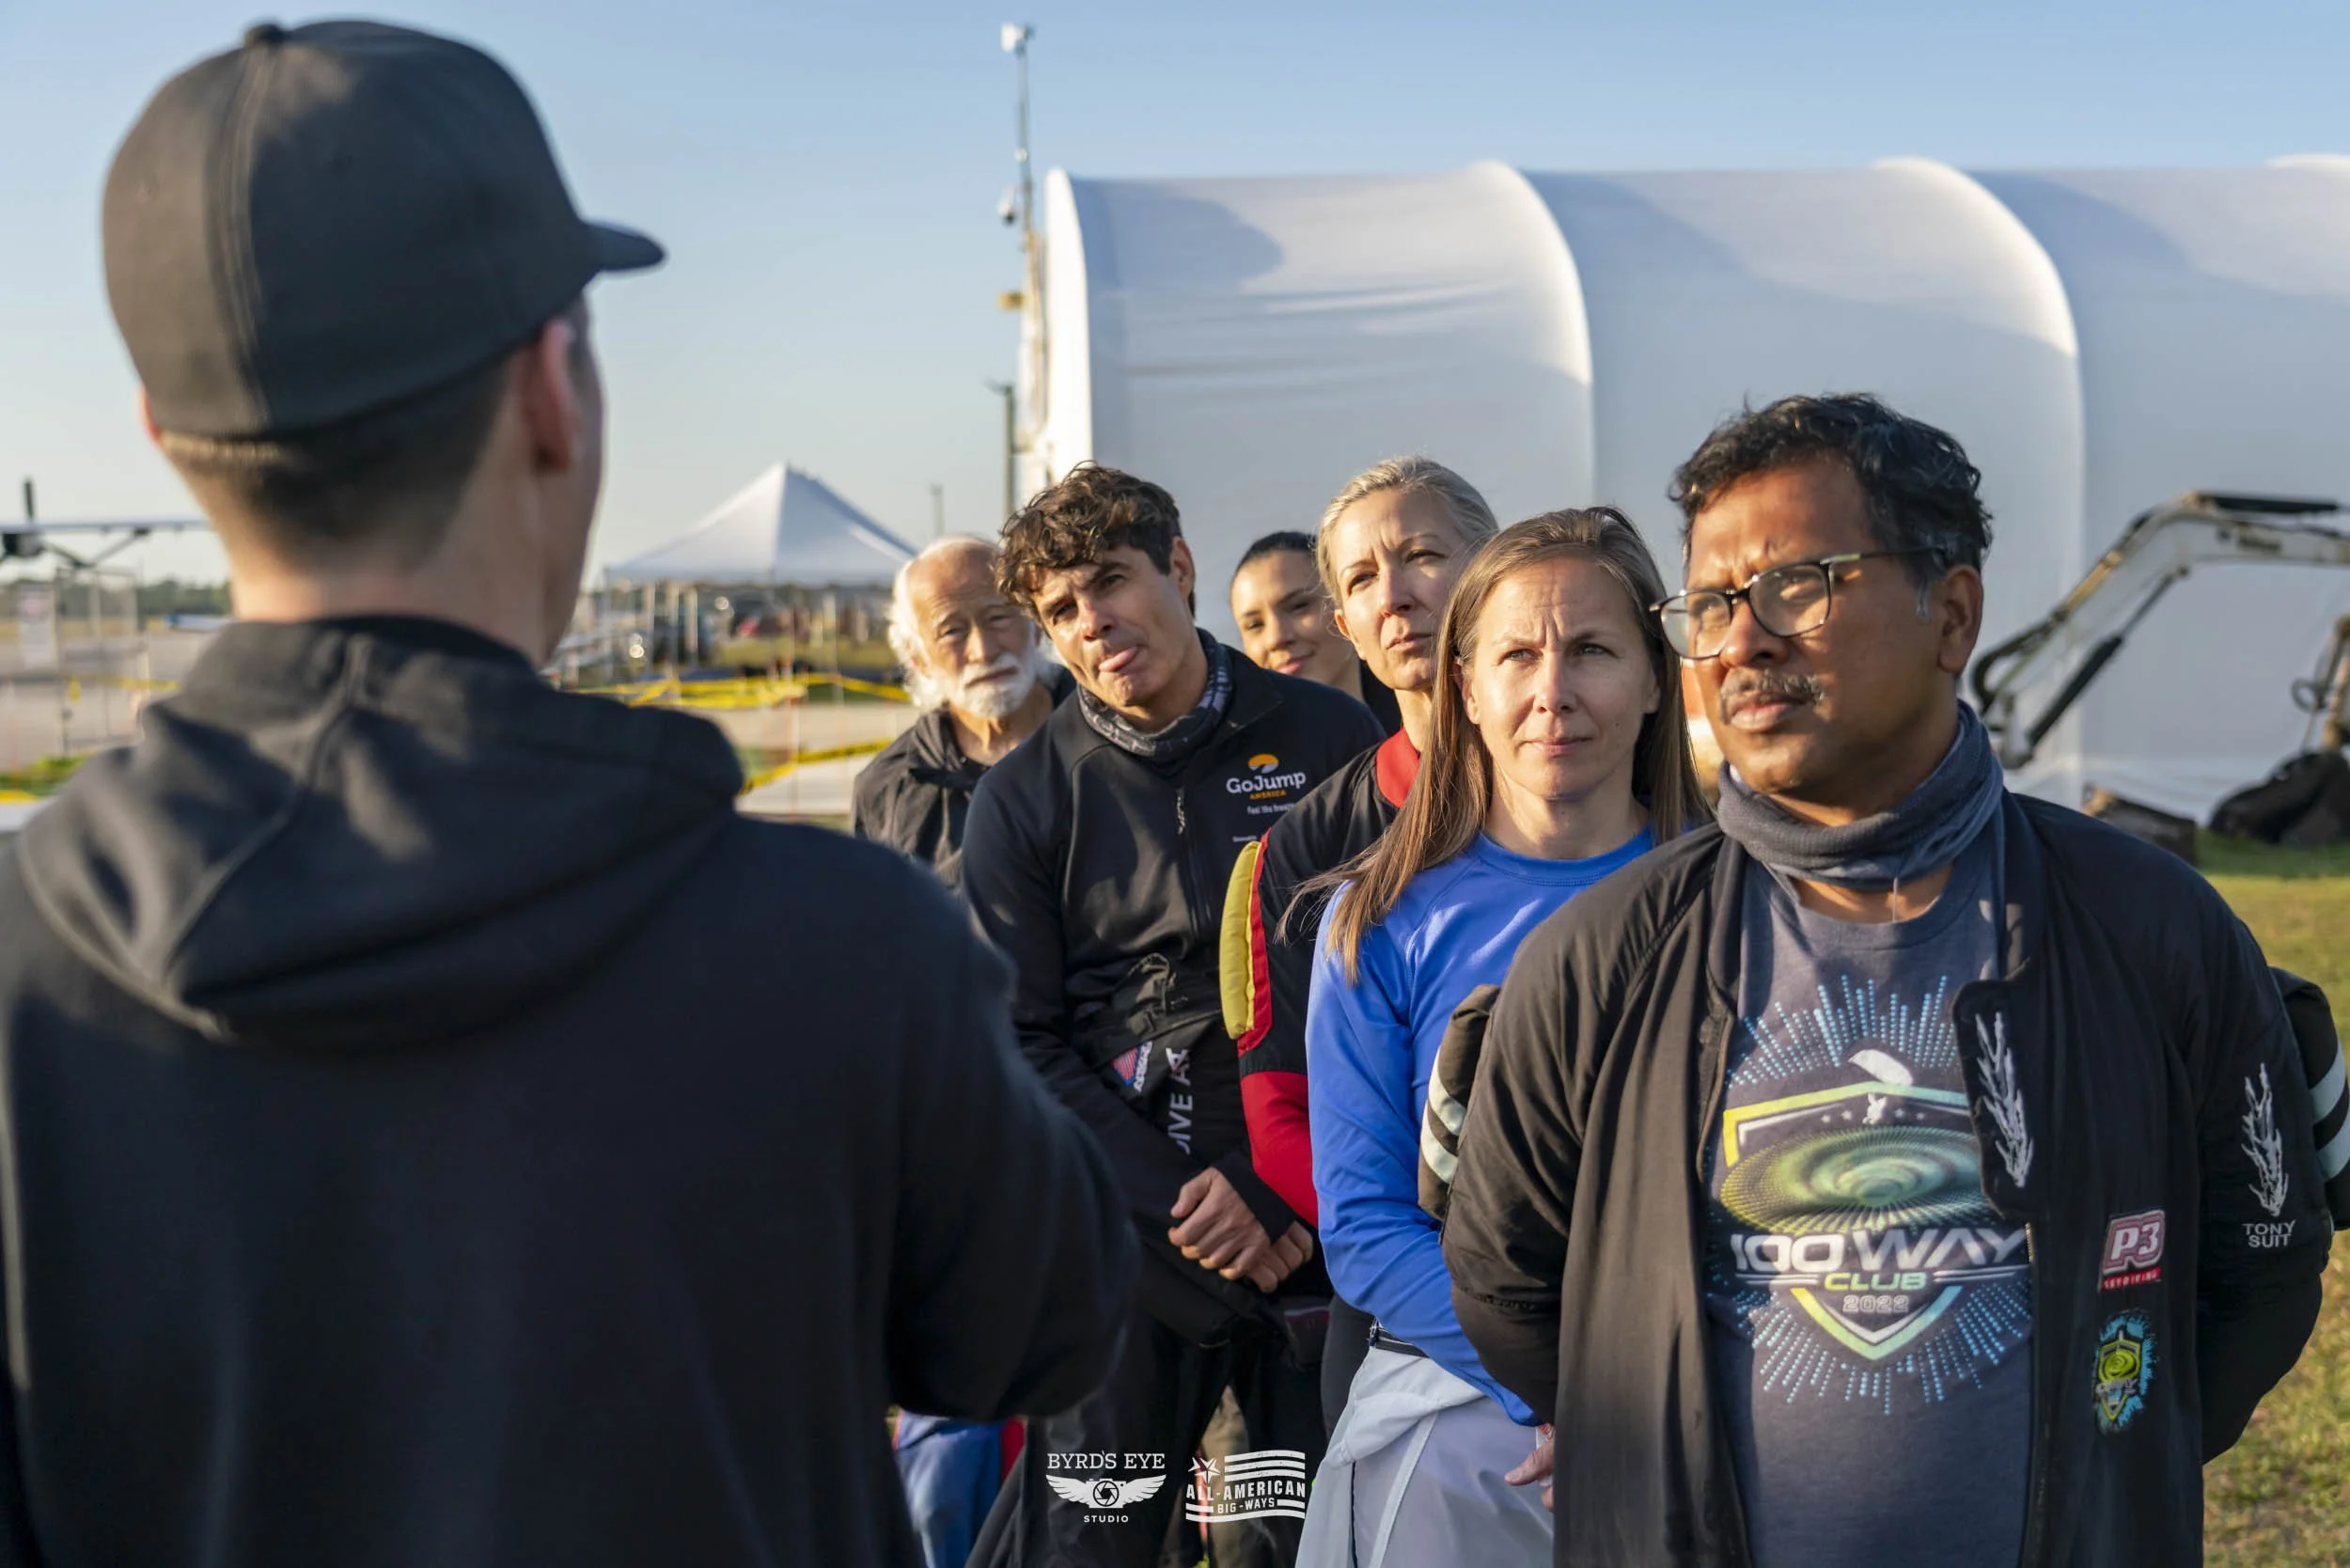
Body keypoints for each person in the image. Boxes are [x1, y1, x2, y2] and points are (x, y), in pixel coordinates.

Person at [0, 22, 1136, 1567]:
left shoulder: (24, 964)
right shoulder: (840, 941)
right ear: (553, 389)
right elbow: (1046, 1319)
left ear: (169, 437)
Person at [1444, 394, 2334, 1568]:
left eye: (1798, 585)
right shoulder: (1600, 959)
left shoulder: (2151, 927)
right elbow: (1513, 1291)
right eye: (1709, 606)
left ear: (1951, 611)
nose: (1744, 642)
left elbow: (2257, 1273)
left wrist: (2115, 1455)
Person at [962, 463, 1385, 1568]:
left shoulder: (1331, 738)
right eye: (1060, 609)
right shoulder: (1024, 793)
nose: (1091, 623)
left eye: (1110, 581)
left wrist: (1266, 1180)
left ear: (1180, 570)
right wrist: (1186, 1205)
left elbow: (1382, 985)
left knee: (1290, 1552)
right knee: (1087, 1550)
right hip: (1125, 1255)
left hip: (1310, 1232)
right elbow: (1012, 1040)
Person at [1295, 510, 1706, 1566]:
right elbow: (1369, 1231)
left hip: (1705, 1395)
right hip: (1464, 1400)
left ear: (1658, 679)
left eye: (1594, 651)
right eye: (1517, 655)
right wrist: (1559, 1388)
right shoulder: (1375, 920)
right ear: (1464, 688)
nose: (1551, 692)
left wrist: (1653, 1394)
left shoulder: (1752, 906)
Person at [1221, 457, 1497, 1428]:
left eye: (1423, 554)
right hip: (1402, 1324)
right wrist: (1436, 1264)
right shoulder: (1307, 844)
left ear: (1493, 570)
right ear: (1345, 624)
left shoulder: (1627, 801)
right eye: (1362, 580)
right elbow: (1280, 1116)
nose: (1399, 596)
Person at [854, 535, 1071, 892]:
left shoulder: (1114, 735)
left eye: (998, 616)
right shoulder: (888, 788)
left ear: (1035, 622)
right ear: (918, 657)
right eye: (952, 630)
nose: (983, 651)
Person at [1229, 530, 1402, 731]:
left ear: (1345, 607)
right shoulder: (1247, 755)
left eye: (1298, 606)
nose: (1276, 638)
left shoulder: (1431, 719)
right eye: (1254, 625)